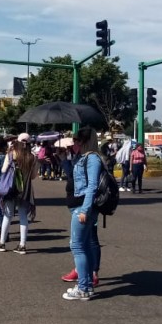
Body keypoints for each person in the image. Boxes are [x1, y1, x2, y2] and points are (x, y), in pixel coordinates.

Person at [61, 126, 101, 300]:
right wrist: (64, 159)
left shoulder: (92, 158)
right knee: (82, 246)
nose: (74, 143)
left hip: (83, 207)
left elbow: (92, 185)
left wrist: (85, 209)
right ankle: (86, 285)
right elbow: (74, 178)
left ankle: (84, 288)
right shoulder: (83, 158)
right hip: (79, 205)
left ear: (84, 142)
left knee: (77, 246)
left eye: (77, 140)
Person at [0, 132, 37, 254]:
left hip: (11, 189)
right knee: (23, 217)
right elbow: (33, 176)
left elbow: (3, 170)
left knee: (8, 215)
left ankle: (2, 243)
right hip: (26, 191)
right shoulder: (33, 157)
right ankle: (22, 245)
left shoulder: (11, 154)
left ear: (17, 142)